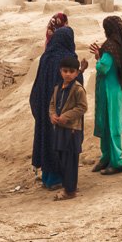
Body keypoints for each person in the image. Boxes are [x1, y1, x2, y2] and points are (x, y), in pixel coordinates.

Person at [31, 26, 86, 190]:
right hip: (64, 112)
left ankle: (49, 178)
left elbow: (38, 87)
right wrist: (81, 71)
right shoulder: (68, 57)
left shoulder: (45, 57)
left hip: (47, 110)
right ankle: (62, 180)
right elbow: (74, 84)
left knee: (47, 140)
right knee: (64, 145)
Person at [89, 16, 122, 175]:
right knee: (105, 123)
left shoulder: (111, 46)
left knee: (112, 126)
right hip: (109, 89)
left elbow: (103, 67)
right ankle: (106, 157)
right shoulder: (117, 45)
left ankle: (117, 161)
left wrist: (98, 58)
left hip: (110, 91)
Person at [49, 54, 87, 201]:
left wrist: (66, 116)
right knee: (62, 158)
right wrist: (52, 115)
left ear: (77, 73)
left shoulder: (78, 89)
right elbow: (52, 104)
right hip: (59, 129)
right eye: (65, 71)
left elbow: (82, 107)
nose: (68, 74)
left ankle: (70, 191)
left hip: (72, 130)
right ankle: (69, 185)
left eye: (71, 71)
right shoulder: (58, 88)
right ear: (60, 71)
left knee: (70, 159)